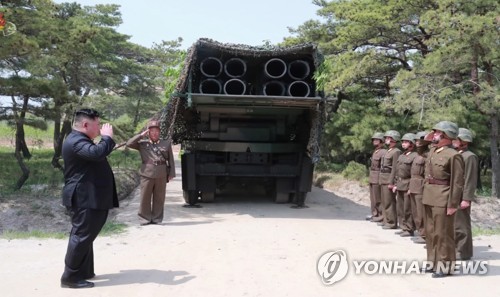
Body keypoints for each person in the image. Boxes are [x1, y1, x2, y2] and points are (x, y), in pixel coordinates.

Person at [60, 108, 119, 289]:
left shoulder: (82, 140)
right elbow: (96, 153)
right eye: (98, 124)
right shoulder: (76, 141)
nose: (100, 128)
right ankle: (69, 277)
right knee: (81, 235)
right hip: (84, 198)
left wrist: (104, 142)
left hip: (90, 197)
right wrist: (107, 138)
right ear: (86, 124)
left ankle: (83, 271)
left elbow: (96, 153)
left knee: (86, 235)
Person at [422, 121, 464, 278]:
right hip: (429, 195)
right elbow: (420, 147)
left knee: (443, 233)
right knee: (430, 232)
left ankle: (445, 266)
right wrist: (430, 136)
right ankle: (432, 262)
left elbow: (457, 182)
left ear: (447, 135)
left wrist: (453, 203)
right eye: (435, 132)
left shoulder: (453, 155)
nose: (435, 134)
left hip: (443, 197)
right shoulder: (433, 150)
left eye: (439, 132)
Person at [126, 120, 175, 225]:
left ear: (159, 132)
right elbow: (129, 143)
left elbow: (170, 159)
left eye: (156, 131)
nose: (154, 133)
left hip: (161, 174)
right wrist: (140, 135)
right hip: (146, 173)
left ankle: (157, 218)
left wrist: (171, 173)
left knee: (159, 197)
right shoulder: (142, 144)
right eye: (152, 131)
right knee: (145, 197)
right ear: (148, 132)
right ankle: (144, 218)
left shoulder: (166, 143)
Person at [452, 128, 478, 260]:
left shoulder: (469, 156)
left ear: (465, 141)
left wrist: (466, 198)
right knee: (453, 223)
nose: (454, 141)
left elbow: (470, 179)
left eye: (457, 139)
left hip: (462, 194)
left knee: (461, 224)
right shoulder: (456, 154)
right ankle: (455, 248)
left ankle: (463, 252)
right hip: (453, 193)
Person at [408, 131, 431, 245]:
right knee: (416, 212)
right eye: (416, 141)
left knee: (422, 213)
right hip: (414, 185)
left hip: (421, 186)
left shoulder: (427, 154)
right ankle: (420, 232)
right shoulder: (418, 155)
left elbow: (427, 173)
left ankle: (424, 234)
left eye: (419, 140)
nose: (417, 143)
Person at [394, 133, 417, 237]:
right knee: (400, 207)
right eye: (403, 142)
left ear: (412, 144)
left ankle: (409, 228)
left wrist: (411, 187)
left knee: (408, 208)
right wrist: (395, 184)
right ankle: (403, 226)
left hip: (408, 183)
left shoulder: (414, 156)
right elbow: (397, 171)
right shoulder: (402, 155)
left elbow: (414, 173)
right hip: (400, 183)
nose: (403, 144)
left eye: (406, 142)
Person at [378, 130, 401, 229]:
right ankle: (386, 219)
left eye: (388, 138)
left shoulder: (396, 151)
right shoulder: (388, 150)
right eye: (386, 138)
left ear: (394, 139)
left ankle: (391, 222)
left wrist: (392, 182)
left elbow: (395, 168)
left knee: (389, 201)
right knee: (384, 201)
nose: (386, 140)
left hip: (388, 178)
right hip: (383, 177)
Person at [367, 132, 387, 222]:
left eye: (377, 140)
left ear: (381, 141)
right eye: (374, 140)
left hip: (378, 176)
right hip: (372, 176)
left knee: (378, 197)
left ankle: (380, 215)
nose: (374, 141)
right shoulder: (376, 151)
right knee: (373, 197)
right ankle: (374, 213)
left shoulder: (383, 152)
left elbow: (383, 166)